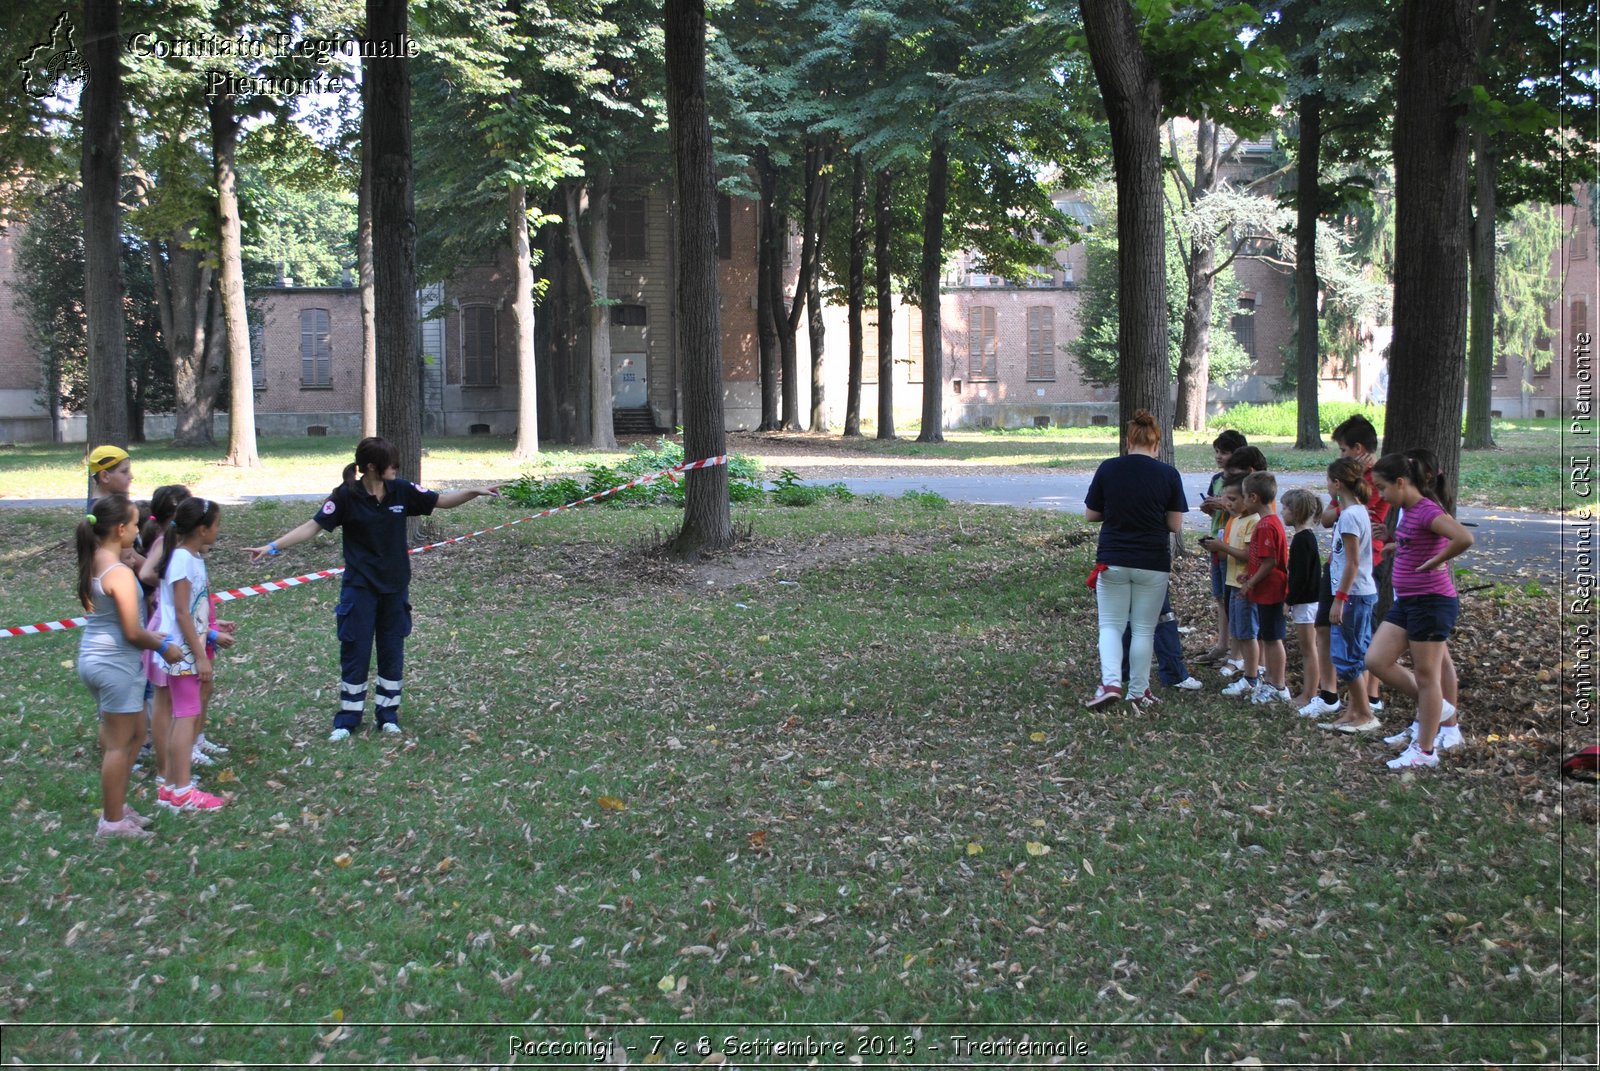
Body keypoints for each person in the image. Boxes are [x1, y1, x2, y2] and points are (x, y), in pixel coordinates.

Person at [244, 437, 501, 740]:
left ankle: (387, 715)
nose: (396, 467)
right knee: (356, 650)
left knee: (392, 651)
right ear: (370, 467)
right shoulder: (345, 496)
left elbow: (440, 500)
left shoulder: (401, 490)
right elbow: (313, 526)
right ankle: (347, 720)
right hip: (360, 588)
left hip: (394, 588)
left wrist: (474, 491)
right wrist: (272, 546)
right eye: (390, 462)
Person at [75, 494, 184, 838]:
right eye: (136, 524)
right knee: (120, 745)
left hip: (99, 659)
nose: (139, 529)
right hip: (114, 666)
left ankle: (118, 807)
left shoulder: (96, 558)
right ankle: (111, 822)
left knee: (136, 734)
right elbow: (133, 632)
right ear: (120, 529)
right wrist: (164, 646)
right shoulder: (119, 573)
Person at [1366, 452, 1475, 769]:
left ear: (1401, 483)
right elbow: (1417, 541)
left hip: (1432, 601)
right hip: (1408, 602)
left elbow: (1464, 537)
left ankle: (1425, 751)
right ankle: (1437, 708)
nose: (1382, 495)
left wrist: (1435, 562)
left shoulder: (1426, 509)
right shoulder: (1409, 511)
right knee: (1375, 660)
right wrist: (1396, 546)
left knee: (1428, 676)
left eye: (1384, 488)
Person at [1082, 410, 1187, 709]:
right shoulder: (1169, 475)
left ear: (1128, 441)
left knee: (1111, 626)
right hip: (1153, 562)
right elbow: (1175, 525)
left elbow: (1091, 514)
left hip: (1113, 558)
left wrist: (1116, 511)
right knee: (1143, 628)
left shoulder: (1109, 469)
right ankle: (1138, 691)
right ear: (1156, 444)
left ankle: (1111, 682)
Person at [151, 497, 233, 812]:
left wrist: (212, 626)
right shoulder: (183, 560)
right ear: (202, 529)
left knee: (183, 713)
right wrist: (199, 655)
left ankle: (171, 787)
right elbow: (182, 613)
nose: (218, 530)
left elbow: (194, 608)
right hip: (183, 648)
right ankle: (182, 789)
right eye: (216, 525)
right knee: (186, 715)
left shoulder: (192, 557)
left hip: (188, 644)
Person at [1319, 457, 1380, 732]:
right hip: (1357, 593)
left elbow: (1353, 563)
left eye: (1328, 481)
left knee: (1346, 657)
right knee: (1355, 653)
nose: (1327, 487)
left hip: (1353, 595)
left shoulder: (1350, 516)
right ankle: (1354, 710)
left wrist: (1339, 600)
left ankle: (1365, 714)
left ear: (1337, 483)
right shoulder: (1354, 513)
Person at [1200, 476, 1260, 697]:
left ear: (1249, 499)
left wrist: (1222, 546)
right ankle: (1249, 673)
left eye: (1233, 499)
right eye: (1225, 499)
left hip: (1244, 585)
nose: (1228, 504)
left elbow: (1248, 555)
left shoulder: (1253, 521)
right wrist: (1214, 547)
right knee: (1238, 629)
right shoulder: (1233, 521)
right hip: (1232, 583)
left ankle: (1253, 676)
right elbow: (1226, 555)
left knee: (1247, 632)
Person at [1195, 430, 1247, 664]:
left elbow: (1247, 511)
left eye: (1224, 452)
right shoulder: (1217, 480)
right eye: (1216, 451)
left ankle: (1237, 652)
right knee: (1220, 596)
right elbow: (1213, 508)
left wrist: (1224, 504)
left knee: (1233, 596)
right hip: (1216, 542)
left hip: (1234, 545)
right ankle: (1222, 644)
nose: (1219, 456)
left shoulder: (1245, 482)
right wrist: (1208, 507)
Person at [1238, 472, 1290, 704]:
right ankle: (1269, 680)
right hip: (1265, 588)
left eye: (1243, 496)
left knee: (1273, 637)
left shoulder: (1267, 526)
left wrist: (1252, 581)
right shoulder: (1268, 522)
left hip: (1272, 590)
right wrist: (1248, 574)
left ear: (1253, 497)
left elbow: (1270, 562)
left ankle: (1278, 685)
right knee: (1267, 635)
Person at [1280, 488, 1325, 711]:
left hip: (1307, 602)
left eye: (1286, 508)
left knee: (1309, 650)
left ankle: (1309, 694)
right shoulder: (1304, 538)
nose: (1282, 511)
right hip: (1307, 601)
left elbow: (1301, 577)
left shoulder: (1302, 540)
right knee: (1310, 648)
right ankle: (1310, 691)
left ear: (1297, 512)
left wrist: (1289, 600)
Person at [86, 445, 144, 573]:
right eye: (124, 471)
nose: (131, 476)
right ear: (105, 476)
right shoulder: (109, 512)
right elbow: (133, 557)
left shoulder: (101, 506)